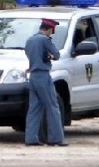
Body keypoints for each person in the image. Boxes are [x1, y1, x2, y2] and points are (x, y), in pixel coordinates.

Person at [24, 18, 68, 146]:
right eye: (52, 31)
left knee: (33, 108)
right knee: (53, 107)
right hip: (43, 76)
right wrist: (50, 57)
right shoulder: (44, 40)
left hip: (32, 75)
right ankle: (56, 138)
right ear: (49, 29)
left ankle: (31, 138)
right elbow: (57, 54)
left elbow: (30, 54)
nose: (51, 34)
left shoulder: (30, 40)